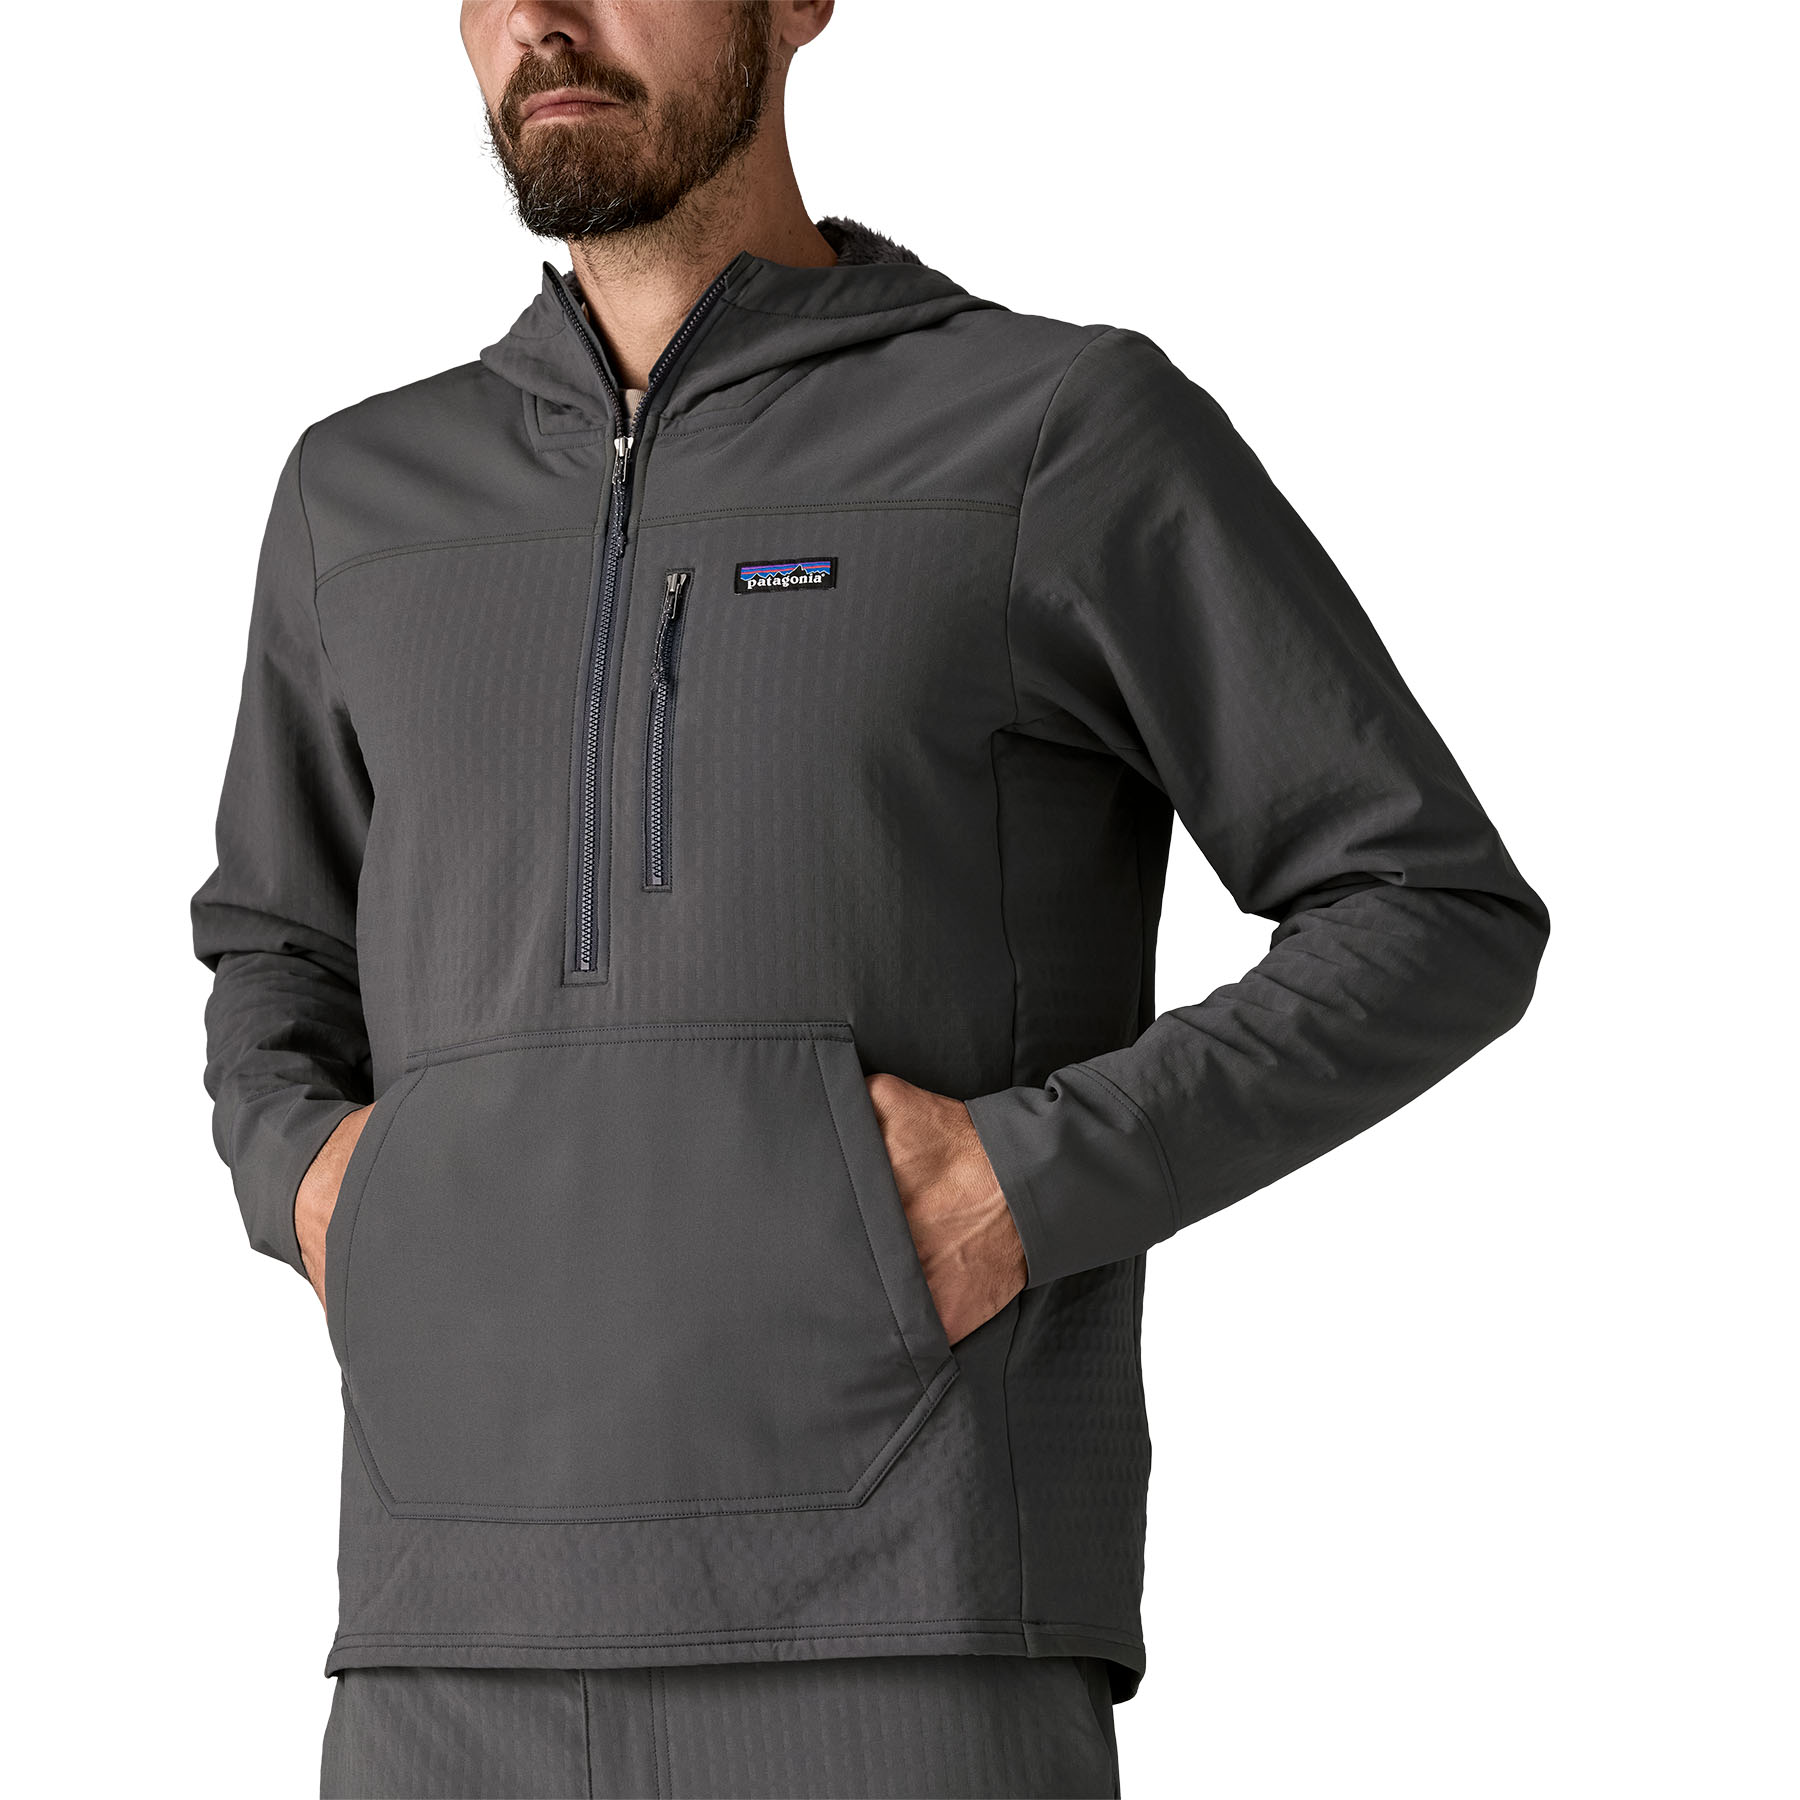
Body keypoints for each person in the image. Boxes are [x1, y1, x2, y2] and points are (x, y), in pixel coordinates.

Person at [191, 3, 1550, 1794]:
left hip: (906, 1619)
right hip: (438, 1647)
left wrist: (1032, 1179)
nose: (542, 20)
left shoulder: (1050, 430)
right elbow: (274, 945)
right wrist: (321, 1187)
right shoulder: (355, 496)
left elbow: (1426, 904)